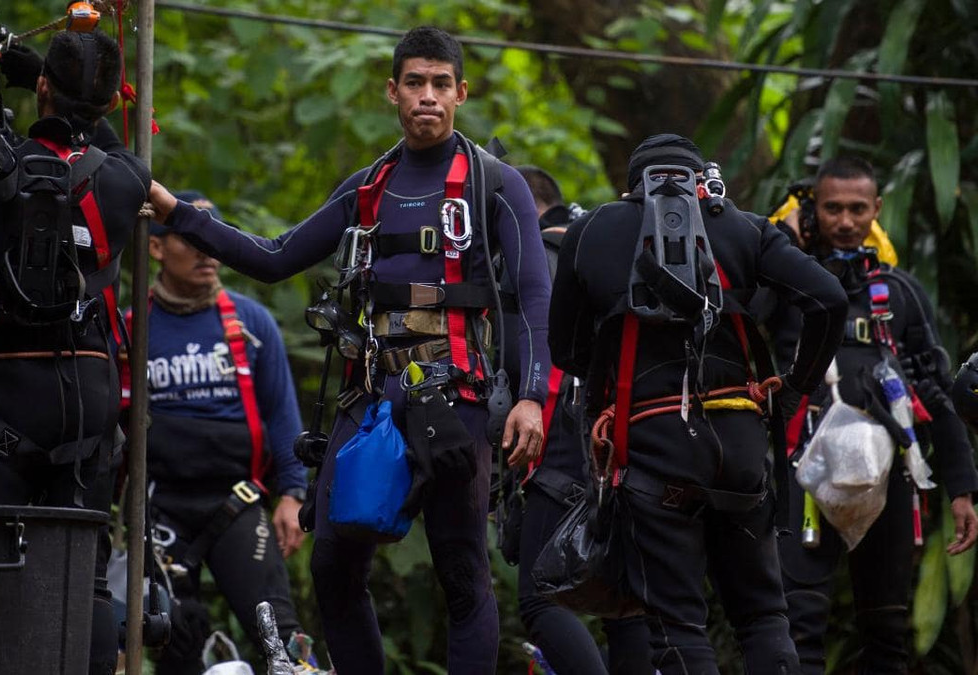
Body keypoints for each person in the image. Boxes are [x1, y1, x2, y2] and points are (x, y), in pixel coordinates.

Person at [149, 26, 551, 674]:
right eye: (414, 82)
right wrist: (177, 212)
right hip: (372, 402)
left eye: (441, 83)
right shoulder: (368, 187)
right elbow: (274, 257)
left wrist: (531, 396)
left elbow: (534, 296)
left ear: (462, 93)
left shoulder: (495, 185)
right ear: (392, 91)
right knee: (334, 565)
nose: (427, 96)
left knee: (461, 572)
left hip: (457, 401)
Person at [549, 133, 847, 674]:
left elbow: (566, 352)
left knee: (676, 625)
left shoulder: (592, 230)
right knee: (763, 615)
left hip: (653, 451)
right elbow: (829, 299)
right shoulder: (745, 228)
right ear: (700, 180)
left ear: (631, 188)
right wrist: (795, 388)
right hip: (741, 450)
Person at [0, 28, 149, 675]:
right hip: (89, 401)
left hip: (7, 398)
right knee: (84, 577)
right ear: (108, 103)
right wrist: (44, 74)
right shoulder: (126, 178)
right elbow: (105, 141)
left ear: (43, 89)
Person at [773, 155, 978, 675]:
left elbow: (935, 390)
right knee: (798, 624)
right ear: (813, 211)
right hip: (802, 470)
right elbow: (738, 317)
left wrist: (961, 487)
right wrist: (785, 238)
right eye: (832, 209)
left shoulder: (901, 292)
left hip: (887, 475)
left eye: (857, 209)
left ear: (877, 209)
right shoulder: (784, 285)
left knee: (887, 628)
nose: (845, 221)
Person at [132, 190, 318, 673]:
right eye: (190, 241)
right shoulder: (131, 326)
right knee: (173, 638)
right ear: (156, 247)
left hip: (236, 501)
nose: (207, 252)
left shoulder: (251, 321)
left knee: (279, 633)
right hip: (159, 506)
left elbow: (282, 413)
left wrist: (294, 494)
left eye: (212, 240)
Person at [505, 165, 652, 675]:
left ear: (522, 208)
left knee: (540, 600)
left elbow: (533, 360)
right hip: (638, 434)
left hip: (565, 440)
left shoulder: (537, 256)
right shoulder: (610, 246)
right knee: (625, 602)